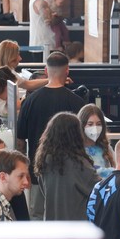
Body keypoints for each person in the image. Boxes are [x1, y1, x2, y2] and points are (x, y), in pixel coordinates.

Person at [16, 52, 85, 220]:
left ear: (46, 71)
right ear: (67, 71)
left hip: (37, 171)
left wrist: (25, 169)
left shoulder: (30, 102)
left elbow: (20, 142)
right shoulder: (76, 103)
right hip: (68, 174)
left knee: (38, 217)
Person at [34, 112, 99, 221]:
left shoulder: (45, 161)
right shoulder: (80, 164)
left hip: (51, 227)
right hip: (76, 230)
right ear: (76, 135)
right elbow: (99, 190)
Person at [78, 103, 116, 178]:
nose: (95, 128)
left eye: (98, 124)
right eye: (90, 124)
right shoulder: (76, 150)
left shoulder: (107, 148)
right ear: (81, 125)